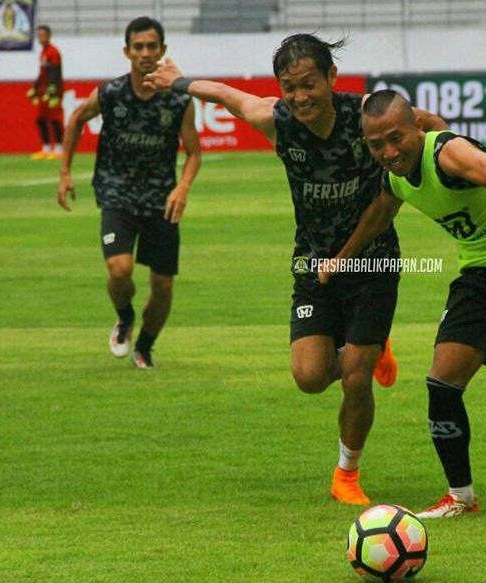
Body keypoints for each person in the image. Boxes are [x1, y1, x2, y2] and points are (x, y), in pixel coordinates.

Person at [144, 34, 445, 506]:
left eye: (309, 84)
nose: (300, 96)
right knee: (309, 377)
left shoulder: (364, 114)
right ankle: (370, 345)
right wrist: (176, 81)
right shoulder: (277, 121)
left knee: (355, 376)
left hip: (373, 258)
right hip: (311, 262)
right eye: (289, 86)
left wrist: (445, 161)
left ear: (331, 78)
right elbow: (227, 95)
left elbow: (426, 124)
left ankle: (347, 472)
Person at [323, 90, 486, 518]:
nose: (389, 152)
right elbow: (380, 213)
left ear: (416, 129)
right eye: (376, 145)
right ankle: (460, 497)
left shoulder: (447, 153)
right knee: (441, 383)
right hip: (481, 279)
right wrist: (342, 258)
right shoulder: (395, 177)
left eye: (396, 138)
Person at [56, 17, 202, 369]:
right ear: (127, 52)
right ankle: (124, 318)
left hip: (160, 200)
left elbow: (194, 153)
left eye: (152, 46)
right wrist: (64, 173)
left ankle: (145, 348)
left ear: (163, 50)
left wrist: (182, 187)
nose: (146, 53)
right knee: (119, 269)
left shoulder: (178, 100)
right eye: (138, 47)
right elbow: (76, 119)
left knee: (163, 286)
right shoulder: (110, 93)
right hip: (116, 193)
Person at [29, 25, 64, 159]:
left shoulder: (53, 52)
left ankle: (60, 149)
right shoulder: (43, 52)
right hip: (43, 89)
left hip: (52, 90)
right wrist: (35, 88)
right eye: (39, 35)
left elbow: (55, 72)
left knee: (55, 119)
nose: (40, 38)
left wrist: (53, 91)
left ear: (49, 36)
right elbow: (43, 72)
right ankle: (46, 148)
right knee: (41, 118)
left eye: (43, 35)